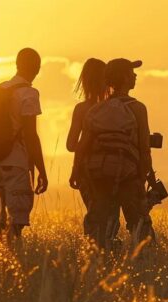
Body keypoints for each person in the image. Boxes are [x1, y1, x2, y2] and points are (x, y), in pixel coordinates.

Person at [74, 58, 152, 250]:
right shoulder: (138, 108)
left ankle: (99, 264)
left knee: (101, 229)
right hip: (129, 175)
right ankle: (144, 265)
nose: (135, 76)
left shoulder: (95, 109)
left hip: (99, 175)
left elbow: (84, 146)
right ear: (125, 78)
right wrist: (142, 178)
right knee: (140, 227)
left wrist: (76, 171)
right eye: (131, 73)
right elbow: (144, 149)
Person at [0, 48, 48, 243]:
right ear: (37, 68)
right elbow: (30, 135)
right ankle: (7, 260)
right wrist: (41, 170)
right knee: (17, 221)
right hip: (16, 163)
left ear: (17, 65)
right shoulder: (29, 93)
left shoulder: (0, 90)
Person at [67, 58, 109, 234]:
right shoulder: (115, 107)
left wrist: (87, 145)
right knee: (109, 216)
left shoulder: (82, 109)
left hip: (87, 171)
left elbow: (70, 145)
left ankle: (93, 252)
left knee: (94, 213)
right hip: (113, 168)